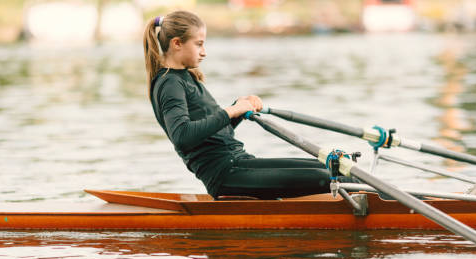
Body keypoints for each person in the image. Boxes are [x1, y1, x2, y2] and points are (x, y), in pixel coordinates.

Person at [143, 10, 352, 199]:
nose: (204, 52)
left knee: (336, 168)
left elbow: (213, 134)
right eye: (199, 44)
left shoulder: (187, 77)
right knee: (326, 177)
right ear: (177, 43)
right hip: (225, 175)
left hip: (239, 163)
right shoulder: (169, 83)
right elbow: (182, 136)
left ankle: (372, 202)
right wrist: (231, 110)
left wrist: (239, 111)